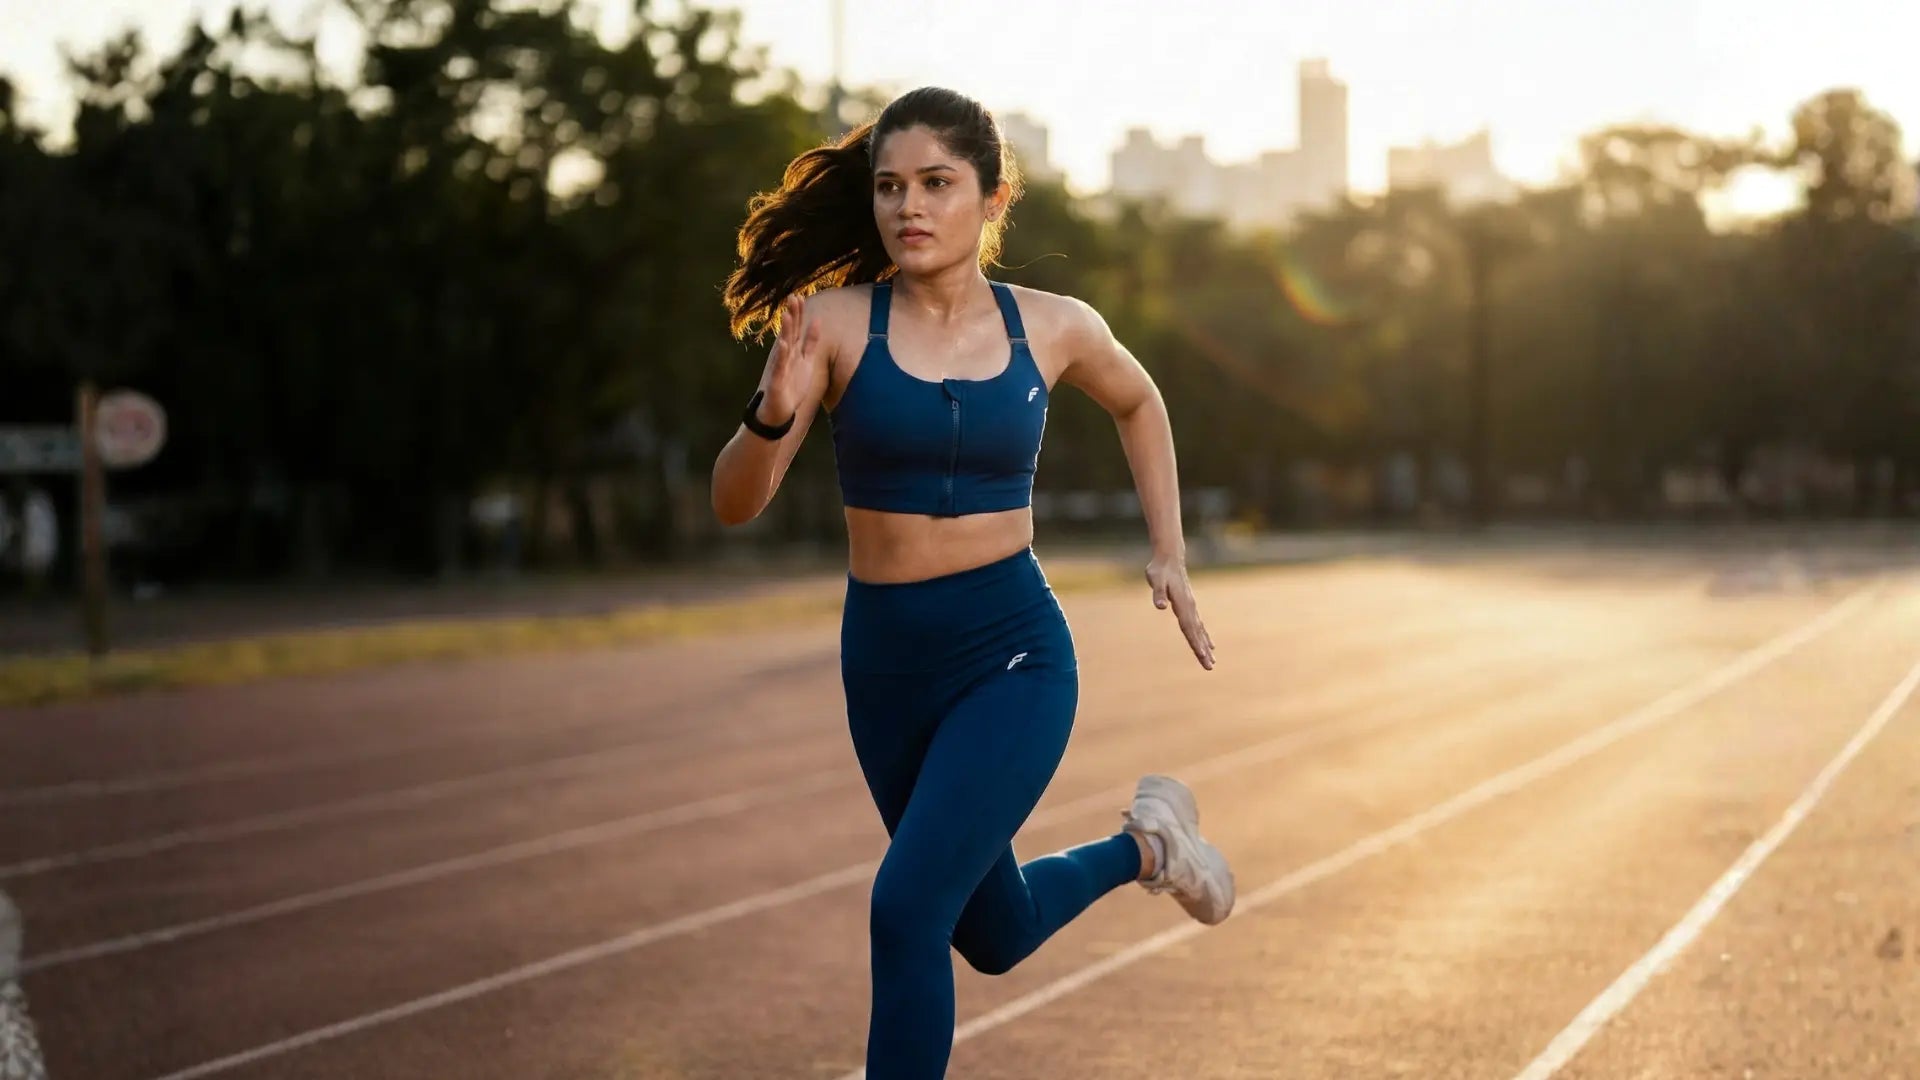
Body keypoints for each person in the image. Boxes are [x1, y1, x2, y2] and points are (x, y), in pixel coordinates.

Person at [709, 86, 1235, 1079]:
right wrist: (770, 415)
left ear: (992, 199)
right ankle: (1150, 847)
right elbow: (736, 503)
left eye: (936, 184)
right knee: (992, 933)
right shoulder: (831, 327)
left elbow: (1140, 401)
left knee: (906, 907)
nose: (908, 206)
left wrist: (1167, 548)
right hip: (886, 668)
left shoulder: (1054, 326)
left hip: (1012, 655)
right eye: (890, 187)